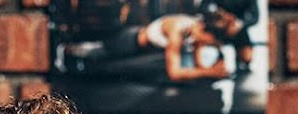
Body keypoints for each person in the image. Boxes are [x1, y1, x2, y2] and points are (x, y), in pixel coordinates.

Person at [58, 1, 258, 81]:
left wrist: (213, 73)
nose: (208, 44)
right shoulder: (178, 30)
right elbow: (175, 72)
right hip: (130, 40)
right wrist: (210, 72)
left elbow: (197, 62)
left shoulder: (196, 31)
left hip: (144, 50)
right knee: (96, 52)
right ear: (206, 31)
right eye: (211, 41)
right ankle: (64, 51)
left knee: (108, 64)